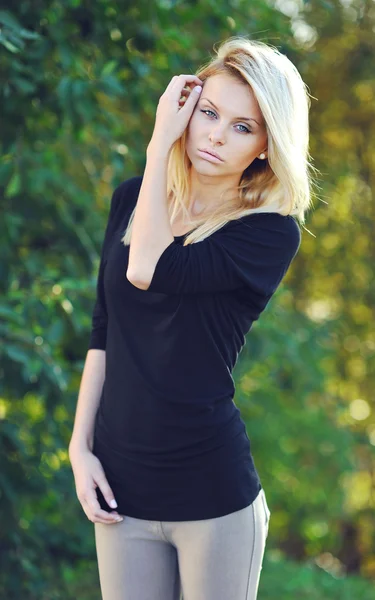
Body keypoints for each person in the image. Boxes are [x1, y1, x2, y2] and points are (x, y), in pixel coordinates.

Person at [69, 36, 314, 600]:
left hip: (212, 493)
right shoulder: (131, 201)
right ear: (189, 107)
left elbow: (147, 268)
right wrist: (80, 449)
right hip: (121, 492)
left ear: (265, 145)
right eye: (208, 113)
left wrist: (159, 147)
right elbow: (104, 331)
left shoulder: (267, 233)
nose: (215, 135)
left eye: (243, 126)